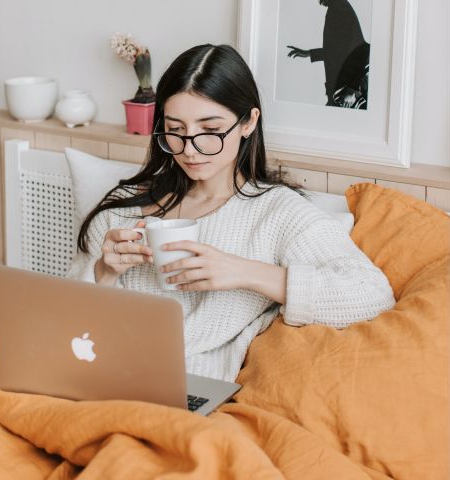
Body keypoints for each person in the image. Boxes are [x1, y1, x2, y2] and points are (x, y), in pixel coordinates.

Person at [67, 44, 395, 382]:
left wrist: (244, 272)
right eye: (176, 131)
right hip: (97, 376)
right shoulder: (122, 210)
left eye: (210, 131)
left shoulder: (277, 213)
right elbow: (65, 325)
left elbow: (371, 294)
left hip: (187, 392)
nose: (190, 149)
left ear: (248, 123)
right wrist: (103, 272)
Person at [286, 0, 369, 108]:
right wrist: (309, 53)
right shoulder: (336, 7)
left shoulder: (340, 6)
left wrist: (353, 90)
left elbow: (356, 49)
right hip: (345, 88)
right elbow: (336, 50)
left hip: (350, 90)